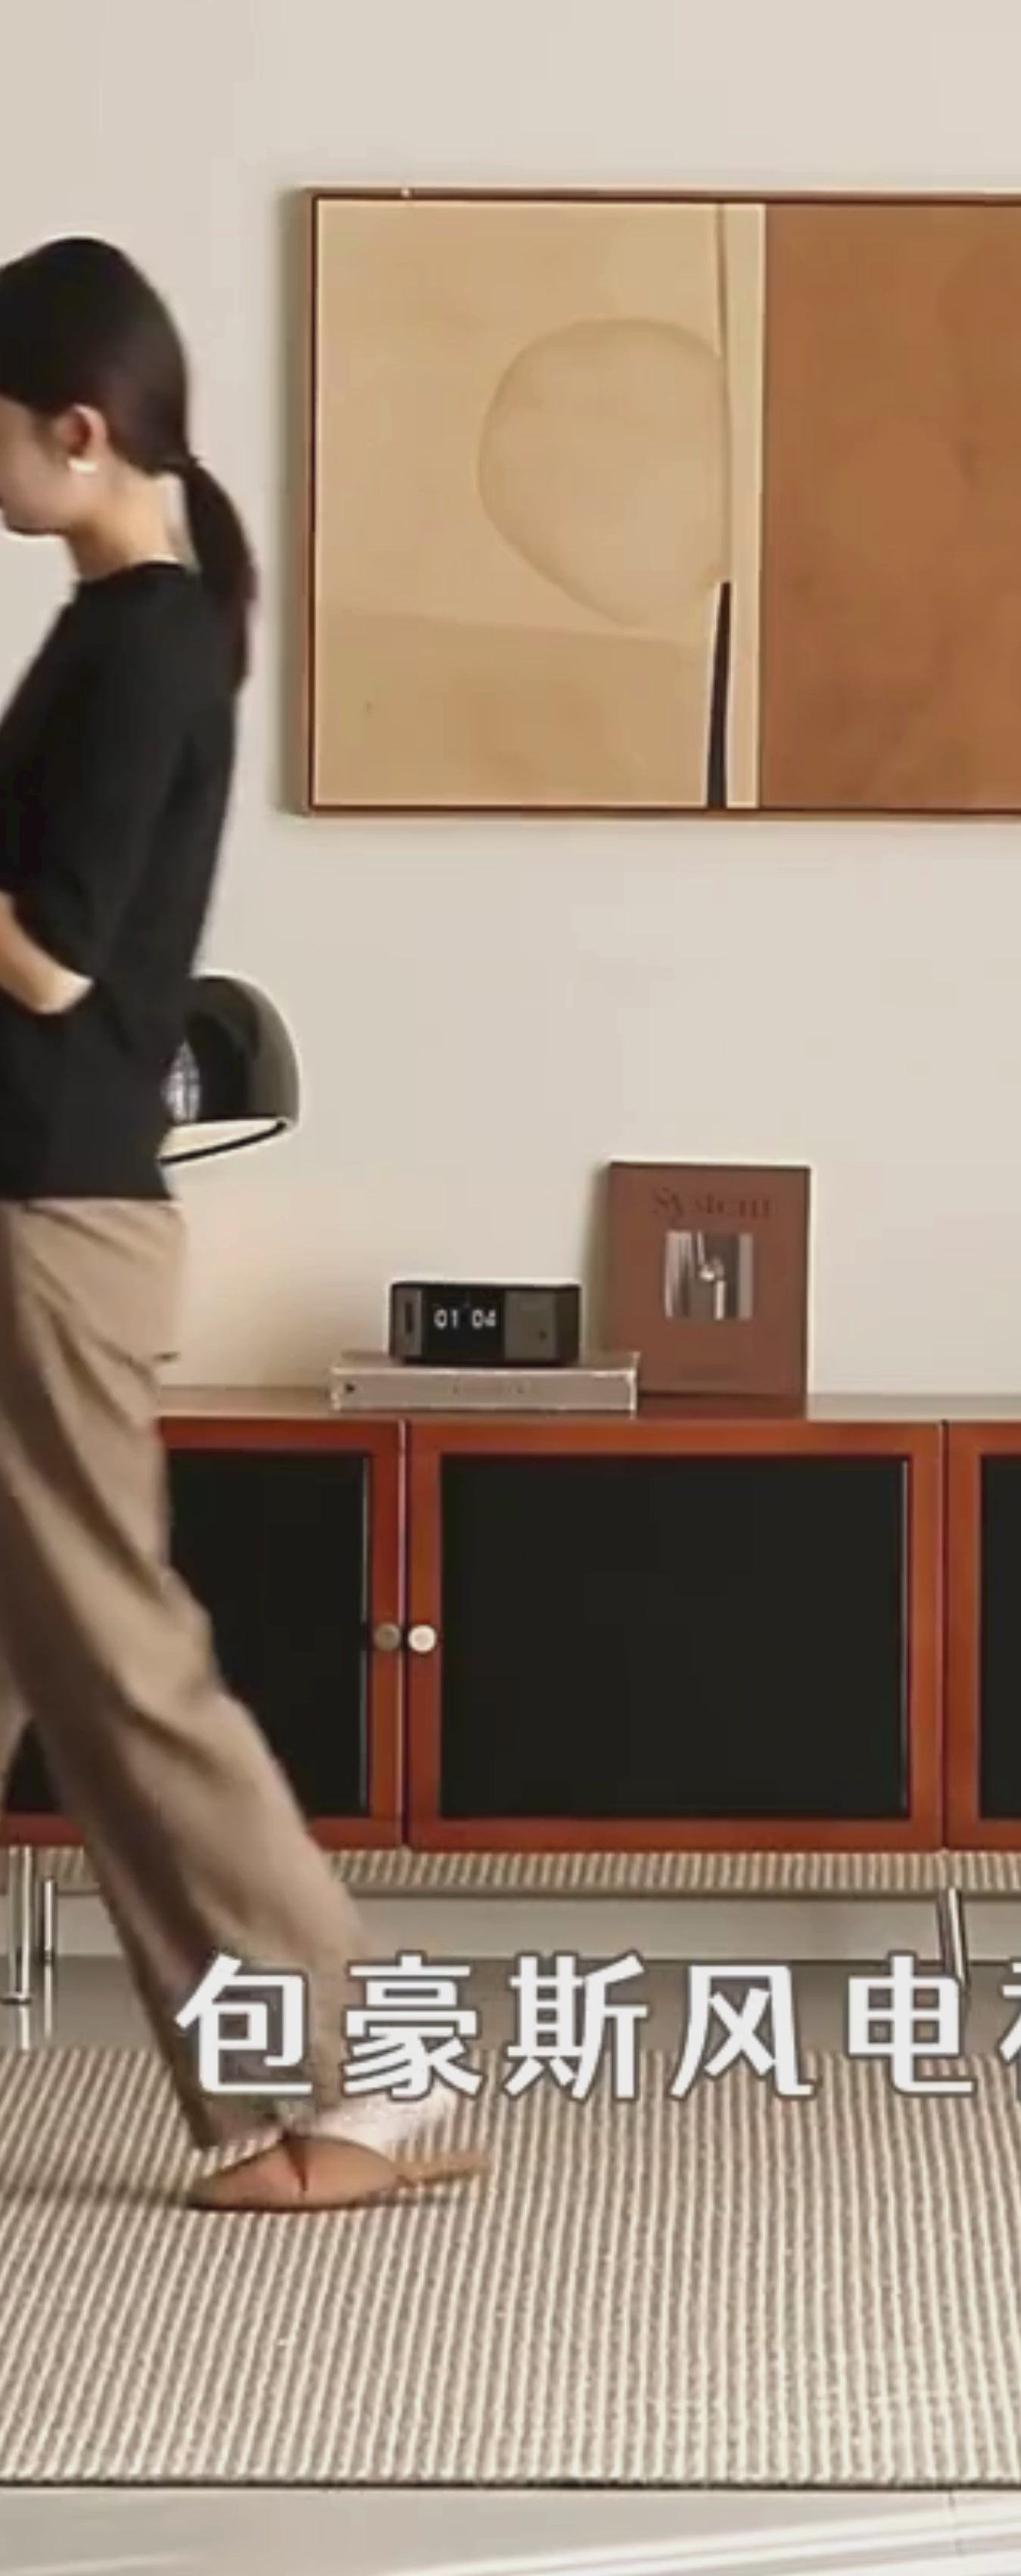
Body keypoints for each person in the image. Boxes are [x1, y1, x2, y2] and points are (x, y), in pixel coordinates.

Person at [0, 235, 480, 2210]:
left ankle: (372, 2063)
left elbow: (52, 961)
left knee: (124, 1670)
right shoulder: (115, 628)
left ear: (76, 431)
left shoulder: (144, 644)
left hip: (49, 1214)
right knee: (63, 1657)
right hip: (38, 1198)